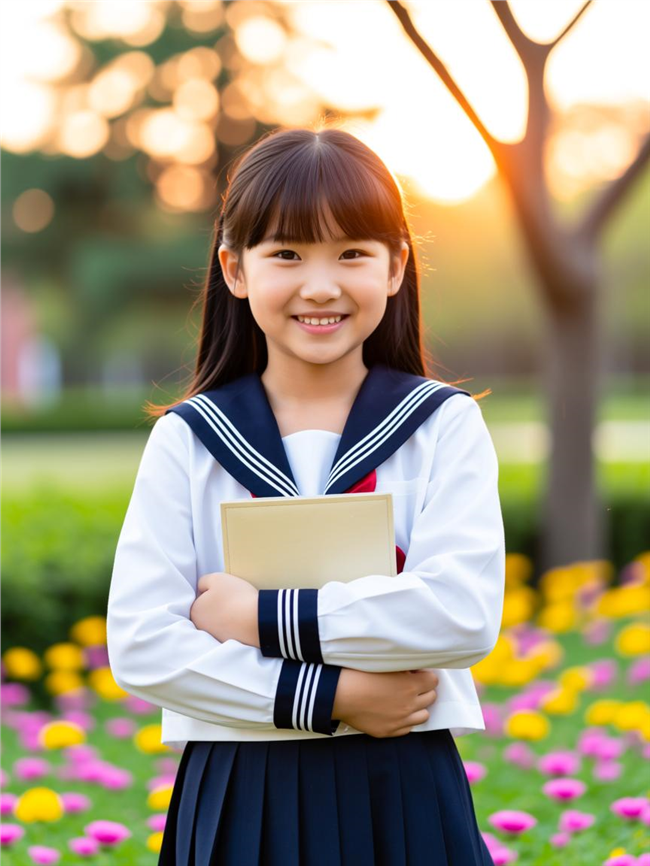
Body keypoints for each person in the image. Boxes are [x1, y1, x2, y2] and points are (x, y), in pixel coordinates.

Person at [106, 125, 505, 865]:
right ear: (234, 268)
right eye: (286, 253)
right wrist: (329, 700)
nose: (320, 285)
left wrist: (251, 616)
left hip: (404, 786)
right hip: (237, 796)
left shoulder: (442, 427)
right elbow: (142, 644)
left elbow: (460, 614)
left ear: (396, 267)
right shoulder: (190, 441)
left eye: (352, 252)